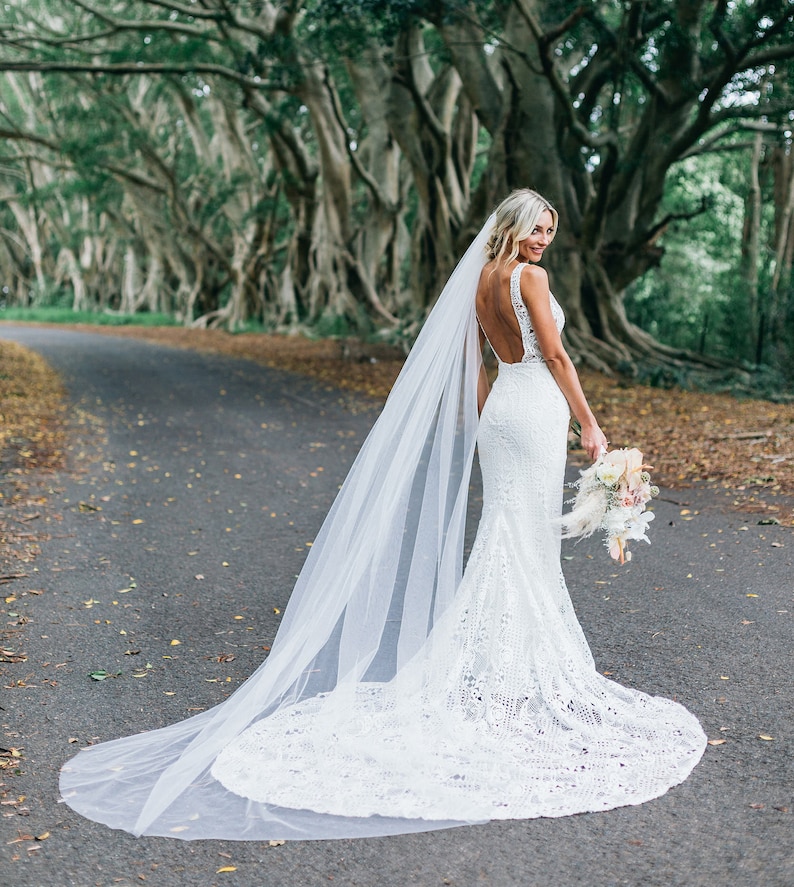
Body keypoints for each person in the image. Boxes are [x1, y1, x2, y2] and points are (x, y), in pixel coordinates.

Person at [60, 190, 706, 841]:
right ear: (513, 226)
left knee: (507, 537)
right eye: (536, 228)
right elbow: (559, 356)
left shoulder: (481, 280)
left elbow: (473, 362)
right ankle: (517, 677)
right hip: (536, 410)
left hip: (504, 412)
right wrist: (592, 427)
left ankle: (502, 672)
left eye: (548, 231)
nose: (543, 241)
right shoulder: (527, 277)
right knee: (526, 542)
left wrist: (486, 415)